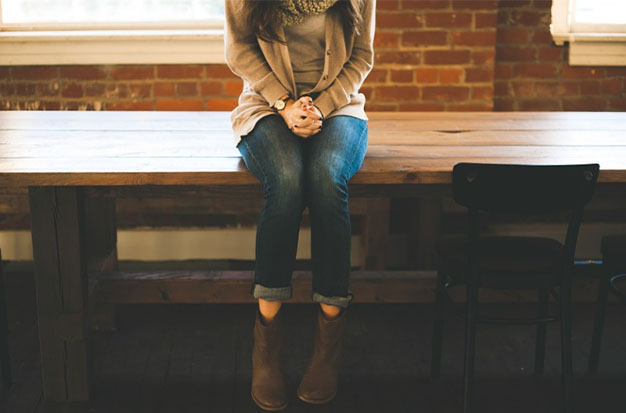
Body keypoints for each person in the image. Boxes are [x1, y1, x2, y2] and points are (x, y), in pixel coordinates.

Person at [224, 0, 375, 410]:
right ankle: (267, 348)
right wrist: (285, 105)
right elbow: (239, 49)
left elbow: (362, 55)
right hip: (267, 106)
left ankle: (328, 346)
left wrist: (319, 107)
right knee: (288, 181)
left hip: (339, 107)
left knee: (327, 179)